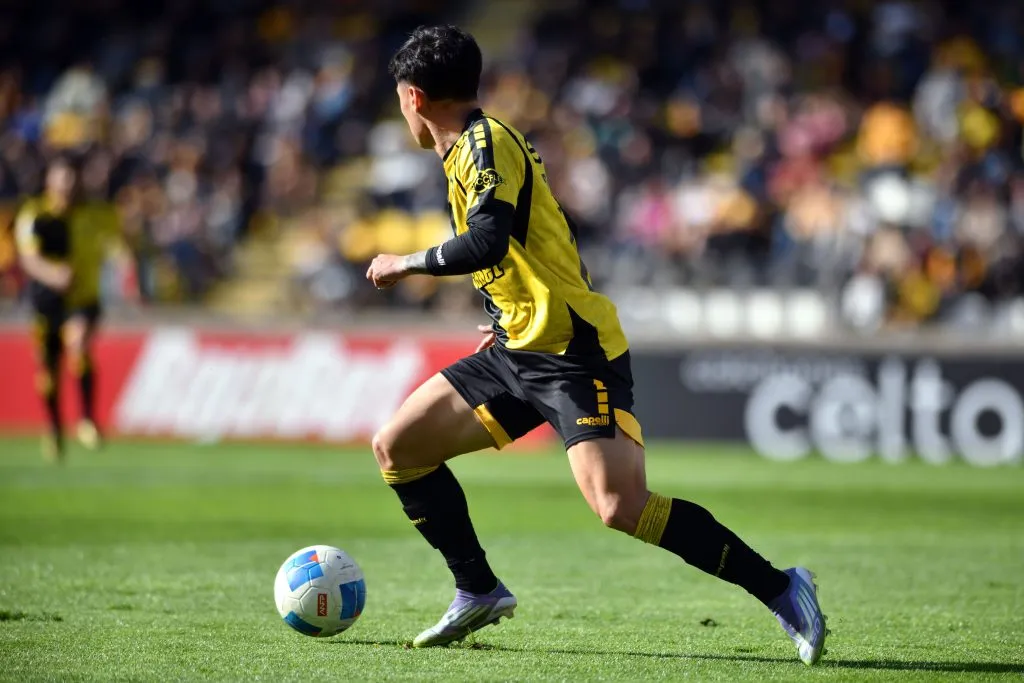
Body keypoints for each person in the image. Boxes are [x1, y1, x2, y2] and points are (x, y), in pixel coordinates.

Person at [365, 25, 829, 664]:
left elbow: (490, 240)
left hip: (574, 356)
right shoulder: (466, 152)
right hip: (516, 347)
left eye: (397, 98)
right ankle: (477, 588)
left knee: (619, 505)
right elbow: (538, 240)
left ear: (413, 97)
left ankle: (782, 587)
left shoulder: (486, 142)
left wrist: (406, 262)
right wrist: (510, 310)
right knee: (398, 447)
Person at [14, 154, 119, 461]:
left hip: (83, 299)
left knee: (79, 345)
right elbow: (28, 259)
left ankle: (87, 419)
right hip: (46, 303)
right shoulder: (35, 215)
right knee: (48, 374)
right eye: (62, 177)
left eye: (72, 177)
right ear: (50, 180)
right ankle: (54, 428)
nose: (68, 184)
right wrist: (53, 274)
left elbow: (117, 245)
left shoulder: (96, 214)